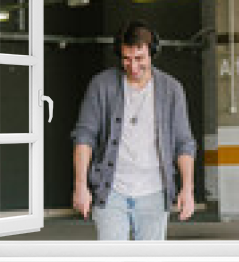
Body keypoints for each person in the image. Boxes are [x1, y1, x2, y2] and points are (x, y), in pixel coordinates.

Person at [71, 19, 197, 240]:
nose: (133, 66)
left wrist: (187, 189)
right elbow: (84, 136)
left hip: (154, 193)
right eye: (126, 59)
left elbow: (184, 143)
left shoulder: (171, 89)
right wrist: (80, 186)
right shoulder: (102, 85)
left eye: (140, 59)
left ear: (153, 53)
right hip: (111, 192)